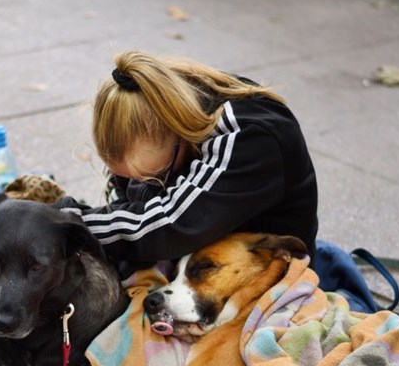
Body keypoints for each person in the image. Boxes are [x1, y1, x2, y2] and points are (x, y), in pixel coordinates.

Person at [58, 50, 318, 271]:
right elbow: (128, 205)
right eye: (125, 177)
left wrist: (67, 226)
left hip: (266, 274)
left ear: (178, 131)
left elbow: (173, 224)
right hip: (195, 261)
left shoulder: (250, 137)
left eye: (154, 176)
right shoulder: (158, 103)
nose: (137, 184)